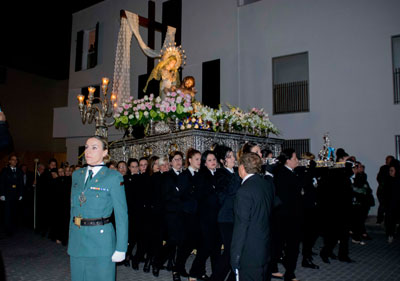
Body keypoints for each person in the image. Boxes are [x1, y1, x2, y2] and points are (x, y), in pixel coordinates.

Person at [68, 136, 128, 281]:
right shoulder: (77, 175)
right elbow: (73, 209)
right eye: (86, 147)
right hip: (78, 239)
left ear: (105, 152)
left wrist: (121, 247)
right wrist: (71, 239)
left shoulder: (113, 177)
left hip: (100, 241)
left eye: (94, 147)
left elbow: (121, 215)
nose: (88, 151)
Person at [230, 152, 275, 281]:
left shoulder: (244, 191)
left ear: (242, 167)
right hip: (264, 246)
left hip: (249, 252)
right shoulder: (266, 185)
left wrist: (235, 257)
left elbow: (241, 227)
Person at [270, 149, 303, 281]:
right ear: (288, 160)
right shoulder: (284, 174)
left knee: (281, 246)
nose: (298, 161)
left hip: (287, 216)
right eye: (295, 158)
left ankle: (275, 268)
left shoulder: (289, 173)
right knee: (289, 247)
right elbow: (289, 197)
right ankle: (289, 273)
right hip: (287, 217)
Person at [210, 145, 241, 281]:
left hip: (235, 216)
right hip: (225, 217)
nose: (234, 158)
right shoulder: (221, 174)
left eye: (233, 155)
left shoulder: (234, 172)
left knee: (233, 252)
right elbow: (230, 191)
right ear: (223, 161)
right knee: (229, 252)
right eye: (230, 156)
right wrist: (236, 174)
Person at [189, 150, 221, 280]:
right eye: (209, 160)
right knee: (206, 247)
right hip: (205, 217)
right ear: (204, 163)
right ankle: (193, 272)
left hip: (216, 216)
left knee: (215, 248)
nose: (213, 162)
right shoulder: (201, 175)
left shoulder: (216, 174)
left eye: (214, 159)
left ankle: (215, 275)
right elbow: (201, 196)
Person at [0, 155, 24, 236]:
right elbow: (2, 182)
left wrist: (21, 193)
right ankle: (7, 229)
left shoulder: (19, 171)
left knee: (14, 211)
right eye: (13, 160)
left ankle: (13, 228)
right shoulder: (5, 170)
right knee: (7, 213)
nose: (15, 161)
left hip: (16, 195)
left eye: (16, 160)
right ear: (9, 161)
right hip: (7, 194)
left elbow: (21, 183)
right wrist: (2, 194)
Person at [384, 160, 400, 243]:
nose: (390, 172)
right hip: (390, 204)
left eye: (392, 171)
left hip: (397, 203)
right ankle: (390, 235)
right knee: (390, 220)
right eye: (389, 171)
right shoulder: (388, 180)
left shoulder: (398, 180)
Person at [376, 155, 395, 224]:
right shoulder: (383, 168)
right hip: (383, 190)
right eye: (387, 160)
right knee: (383, 205)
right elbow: (379, 178)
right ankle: (379, 219)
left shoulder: (395, 168)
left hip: (391, 190)